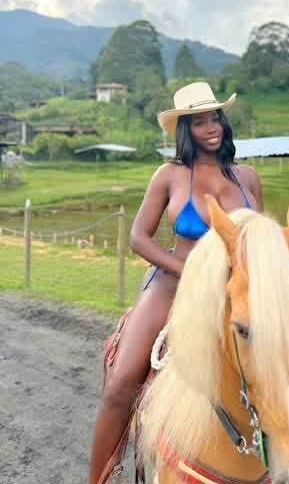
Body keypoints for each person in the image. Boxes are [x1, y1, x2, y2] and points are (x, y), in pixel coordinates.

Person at [88, 81, 263, 483]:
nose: (211, 128)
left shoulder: (248, 177)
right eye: (199, 122)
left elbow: (260, 240)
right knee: (122, 382)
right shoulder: (170, 175)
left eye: (215, 118)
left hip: (236, 286)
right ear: (186, 130)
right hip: (175, 282)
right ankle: (97, 479)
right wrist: (191, 270)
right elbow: (139, 237)